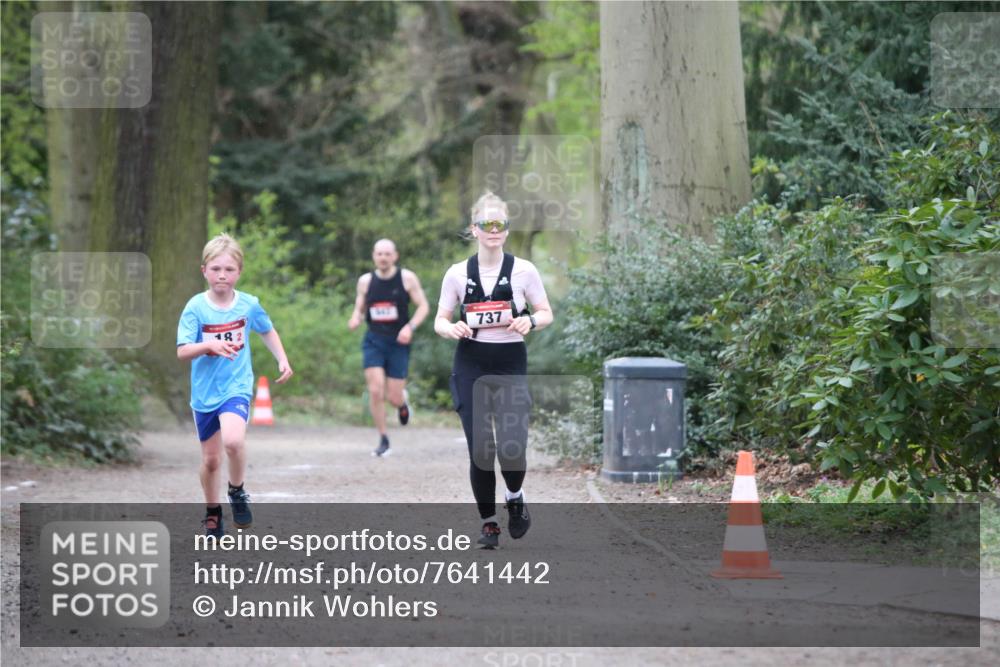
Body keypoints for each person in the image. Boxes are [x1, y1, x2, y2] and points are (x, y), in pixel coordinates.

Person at [434, 192, 553, 549]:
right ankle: (489, 524)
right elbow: (440, 319)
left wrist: (530, 322)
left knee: (512, 446)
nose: (494, 230)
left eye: (500, 224)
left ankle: (515, 497)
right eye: (487, 224)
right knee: (481, 449)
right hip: (470, 363)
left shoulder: (523, 270)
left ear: (507, 229)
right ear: (474, 229)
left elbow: (546, 312)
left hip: (509, 362)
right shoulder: (457, 274)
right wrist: (451, 328)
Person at [177, 233, 293, 537]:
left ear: (239, 272)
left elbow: (267, 330)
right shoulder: (195, 308)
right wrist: (209, 345)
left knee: (233, 441)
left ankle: (238, 490)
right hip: (204, 393)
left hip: (236, 387)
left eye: (229, 269)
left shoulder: (248, 305)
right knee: (211, 460)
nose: (222, 275)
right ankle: (212, 511)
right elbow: (182, 351)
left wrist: (281, 358)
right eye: (215, 269)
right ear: (204, 271)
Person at [348, 239, 430, 457]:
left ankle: (402, 404)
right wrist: (356, 318)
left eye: (387, 254)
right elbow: (360, 308)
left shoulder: (407, 278)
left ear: (395, 256)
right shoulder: (365, 281)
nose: (383, 257)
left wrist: (410, 327)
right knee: (375, 390)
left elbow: (423, 306)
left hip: (399, 342)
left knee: (393, 397)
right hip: (374, 340)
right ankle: (383, 438)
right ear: (374, 256)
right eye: (379, 254)